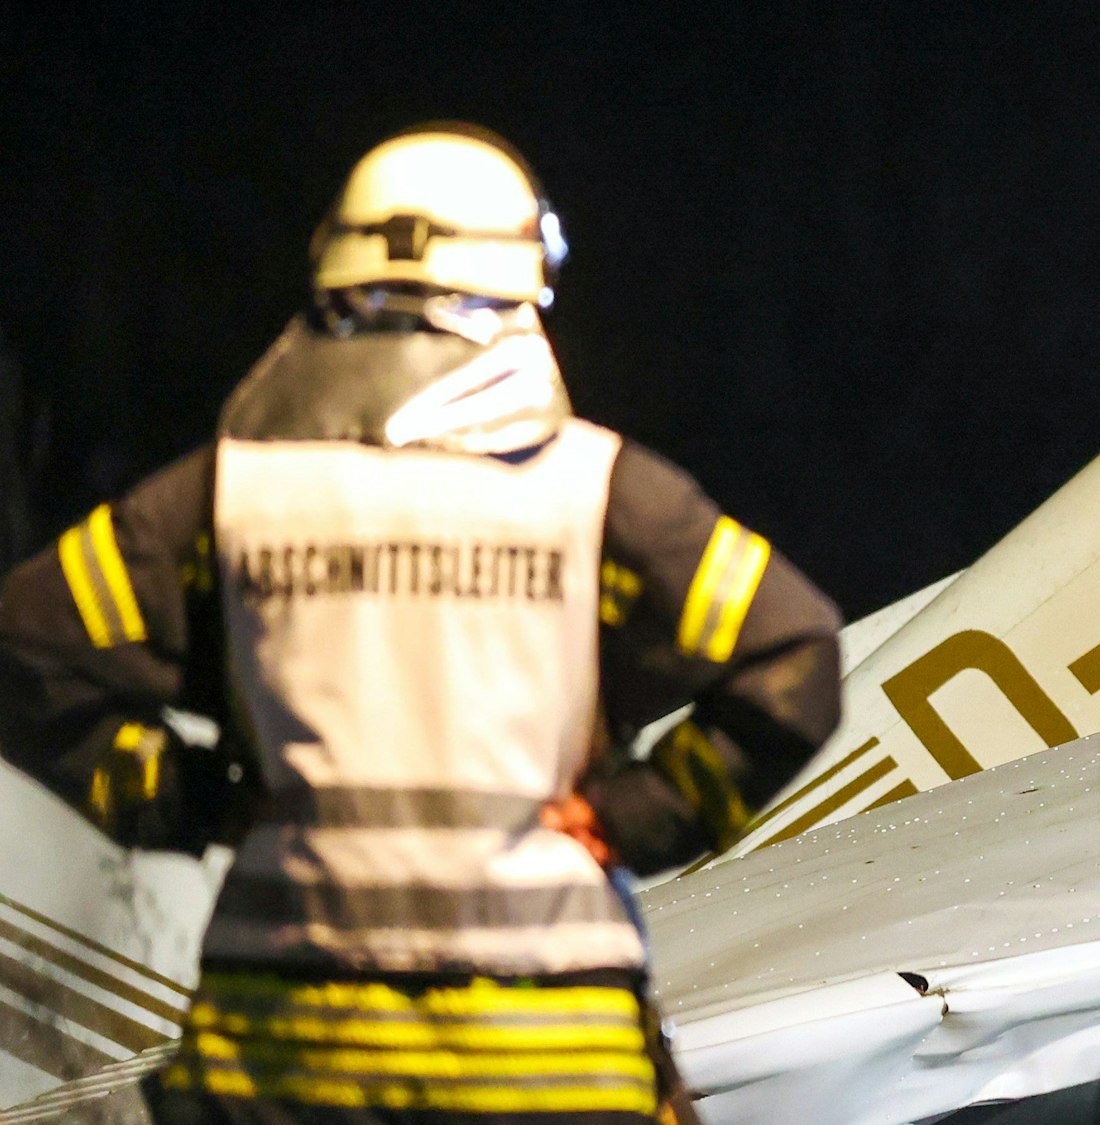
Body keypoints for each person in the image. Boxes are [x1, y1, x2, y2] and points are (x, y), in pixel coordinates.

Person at [0, 123, 843, 1125]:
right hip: (547, 1061)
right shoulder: (602, 493)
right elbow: (796, 659)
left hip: (285, 1058)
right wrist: (634, 816)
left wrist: (178, 798)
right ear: (524, 283)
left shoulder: (225, 496)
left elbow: (26, 649)